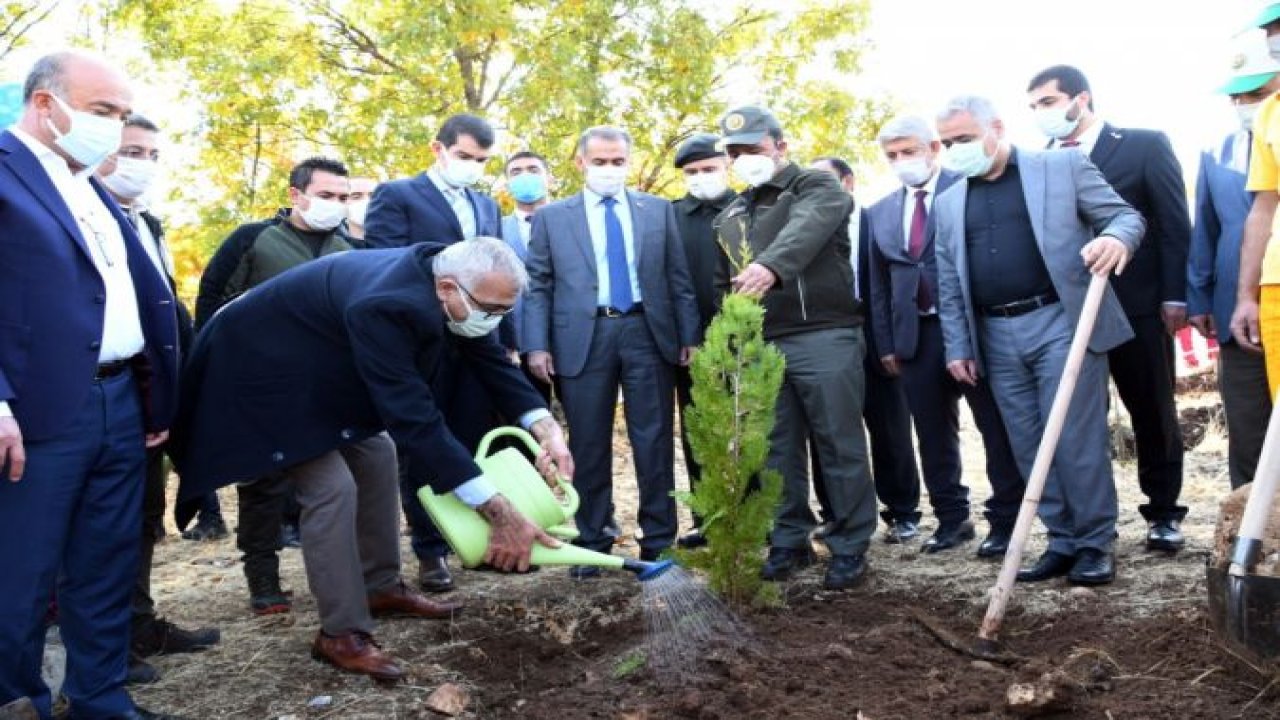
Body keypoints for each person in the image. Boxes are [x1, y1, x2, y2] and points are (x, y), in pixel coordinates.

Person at [171, 238, 571, 682]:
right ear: (446, 288)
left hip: (315, 363)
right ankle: (340, 633)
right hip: (257, 371)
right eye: (491, 310)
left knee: (377, 454)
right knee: (331, 488)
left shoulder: (456, 280)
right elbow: (414, 417)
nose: (495, 320)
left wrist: (545, 427)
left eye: (504, 312)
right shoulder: (387, 305)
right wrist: (496, 508)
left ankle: (379, 587)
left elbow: (489, 359)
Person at [0, 50, 182, 720]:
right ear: (45, 103)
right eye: (103, 110)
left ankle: (101, 698)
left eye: (122, 113)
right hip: (36, 411)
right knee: (21, 572)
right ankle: (16, 700)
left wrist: (153, 392)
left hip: (120, 401)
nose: (114, 126)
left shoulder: (90, 185)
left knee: (105, 562)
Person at [933, 95, 1143, 586]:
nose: (956, 150)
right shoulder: (948, 202)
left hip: (1060, 320)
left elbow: (1126, 217)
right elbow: (948, 280)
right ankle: (1061, 539)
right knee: (1026, 441)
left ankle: (1094, 542)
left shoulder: (1061, 167)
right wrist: (958, 345)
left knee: (1074, 436)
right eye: (947, 143)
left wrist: (1115, 239)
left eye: (964, 138)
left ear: (996, 127)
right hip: (993, 333)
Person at [711, 105, 878, 590]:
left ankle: (849, 545)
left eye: (754, 148)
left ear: (780, 146)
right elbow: (723, 283)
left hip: (824, 334)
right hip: (763, 343)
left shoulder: (815, 186)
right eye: (734, 152)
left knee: (839, 442)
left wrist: (771, 267)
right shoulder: (730, 214)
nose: (744, 158)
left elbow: (806, 228)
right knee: (775, 447)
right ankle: (788, 539)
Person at [1026, 65, 1190, 553]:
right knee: (1081, 419)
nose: (1040, 113)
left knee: (1152, 410)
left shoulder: (1143, 145)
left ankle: (1163, 513)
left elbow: (1173, 224)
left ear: (1082, 99)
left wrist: (1174, 296)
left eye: (1048, 102)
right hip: (1071, 314)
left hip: (1138, 305)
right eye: (1033, 107)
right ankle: (1095, 522)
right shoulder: (1041, 162)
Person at [524, 126, 701, 577]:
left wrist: (689, 335)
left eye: (618, 161)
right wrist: (536, 344)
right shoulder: (552, 218)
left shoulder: (658, 211)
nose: (609, 169)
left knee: (653, 441)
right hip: (581, 338)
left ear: (628, 162)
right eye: (600, 161)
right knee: (587, 443)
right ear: (580, 163)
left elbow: (678, 277)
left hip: (648, 332)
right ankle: (594, 541)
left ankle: (659, 540)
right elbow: (538, 285)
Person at [193, 156, 354, 615]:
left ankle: (348, 578)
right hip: (260, 383)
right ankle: (262, 576)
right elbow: (211, 304)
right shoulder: (253, 239)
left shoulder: (349, 247)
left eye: (343, 197)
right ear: (296, 195)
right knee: (262, 483)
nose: (336, 204)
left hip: (325, 388)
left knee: (332, 485)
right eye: (326, 195)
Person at [864, 116, 1025, 557]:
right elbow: (878, 286)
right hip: (914, 337)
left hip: (971, 329)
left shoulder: (969, 188)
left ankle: (1006, 519)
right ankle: (952, 518)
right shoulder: (878, 212)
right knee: (932, 434)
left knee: (994, 426)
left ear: (934, 148)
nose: (901, 161)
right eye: (892, 155)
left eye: (909, 151)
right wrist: (886, 344)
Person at [96, 114, 220, 683]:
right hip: (104, 389)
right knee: (108, 525)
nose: (142, 164)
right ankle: (104, 642)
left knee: (146, 514)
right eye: (131, 151)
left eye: (152, 154)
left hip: (151, 394)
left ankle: (138, 622)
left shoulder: (149, 222)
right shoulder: (85, 215)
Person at [363, 114, 509, 593]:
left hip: (475, 342)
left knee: (470, 439)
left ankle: (474, 537)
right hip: (421, 341)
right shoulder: (398, 196)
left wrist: (501, 337)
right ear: (439, 149)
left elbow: (499, 272)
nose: (472, 166)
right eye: (464, 156)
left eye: (481, 160)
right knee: (424, 445)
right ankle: (430, 551)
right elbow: (385, 264)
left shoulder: (486, 206)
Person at [809, 155, 923, 546]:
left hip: (876, 336)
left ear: (848, 182)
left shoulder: (878, 221)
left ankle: (902, 512)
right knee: (828, 431)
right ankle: (835, 513)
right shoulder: (803, 228)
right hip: (825, 339)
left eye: (826, 181)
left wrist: (891, 340)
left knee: (891, 428)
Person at [1191, 32, 1280, 489]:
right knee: (1248, 430)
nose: (1244, 104)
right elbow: (1205, 227)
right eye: (1236, 97)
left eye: (1256, 93)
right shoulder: (1215, 152)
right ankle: (1248, 522)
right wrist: (1199, 297)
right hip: (1238, 312)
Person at [671, 133, 738, 550]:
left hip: (744, 339)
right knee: (698, 432)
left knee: (751, 428)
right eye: (692, 172)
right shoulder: (671, 216)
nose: (701, 177)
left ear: (726, 165)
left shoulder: (748, 208)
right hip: (692, 342)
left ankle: (756, 515)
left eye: (709, 168)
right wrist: (686, 336)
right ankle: (707, 518)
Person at [1232, 5, 1280, 398]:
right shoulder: (1270, 112)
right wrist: (1247, 295)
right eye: (1270, 30)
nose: (1274, 38)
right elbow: (1264, 208)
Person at [502, 151, 555, 402]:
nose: (525, 176)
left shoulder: (577, 223)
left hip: (573, 340)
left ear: (549, 178)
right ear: (507, 184)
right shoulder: (495, 228)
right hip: (517, 346)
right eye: (516, 172)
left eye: (533, 170)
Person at [345, 176, 378, 246]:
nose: (367, 201)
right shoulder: (331, 245)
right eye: (356, 197)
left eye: (373, 196)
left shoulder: (397, 241)